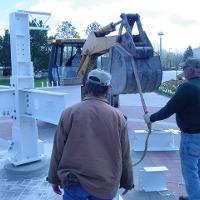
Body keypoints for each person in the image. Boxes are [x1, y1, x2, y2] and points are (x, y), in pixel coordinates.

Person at [47, 69, 134, 199]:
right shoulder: (118, 117)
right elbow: (125, 154)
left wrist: (54, 178)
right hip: (105, 184)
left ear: (86, 87)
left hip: (73, 182)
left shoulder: (69, 113)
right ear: (107, 90)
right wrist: (127, 181)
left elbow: (57, 149)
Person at [144, 57, 200, 200]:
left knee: (190, 171)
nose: (183, 70)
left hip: (191, 137)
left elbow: (169, 109)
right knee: (198, 169)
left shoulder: (187, 87)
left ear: (192, 70)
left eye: (184, 68)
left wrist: (151, 118)